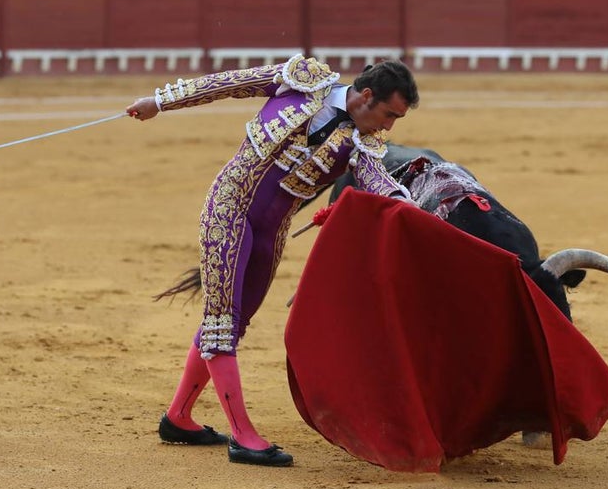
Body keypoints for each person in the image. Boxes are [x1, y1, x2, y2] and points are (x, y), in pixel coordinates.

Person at [127, 55, 420, 467]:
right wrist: (160, 101)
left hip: (272, 232)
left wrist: (403, 203)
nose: (389, 126)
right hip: (230, 207)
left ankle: (178, 417)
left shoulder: (363, 142)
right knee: (221, 323)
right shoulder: (300, 81)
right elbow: (227, 83)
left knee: (232, 321)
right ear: (366, 95)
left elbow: (375, 179)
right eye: (389, 114)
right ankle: (243, 436)